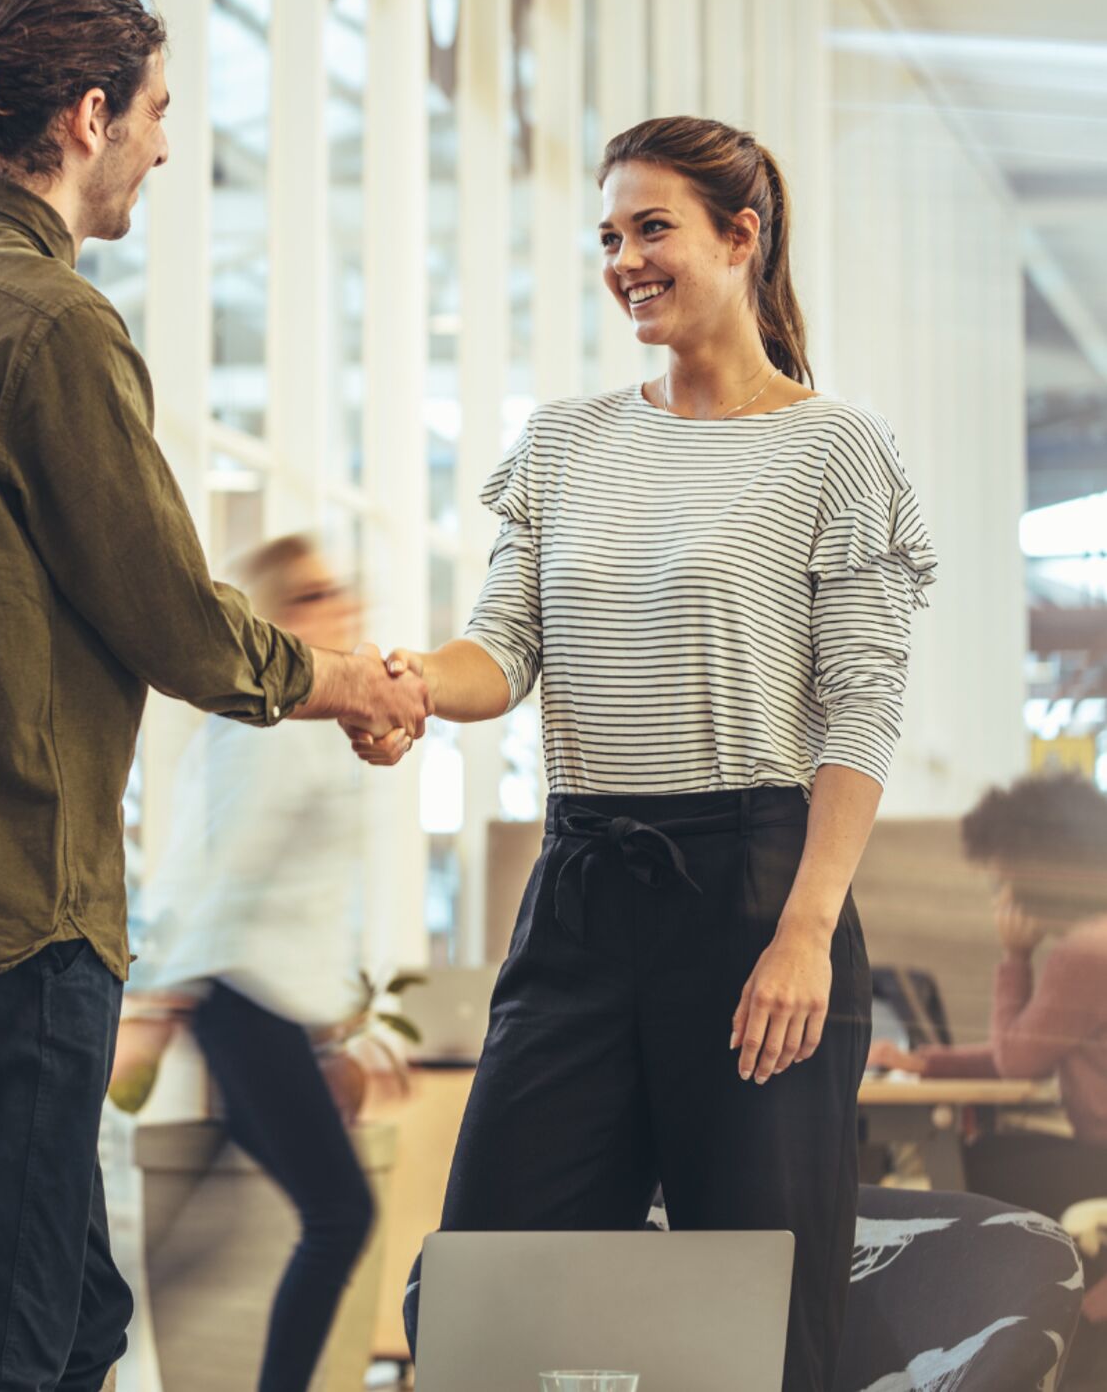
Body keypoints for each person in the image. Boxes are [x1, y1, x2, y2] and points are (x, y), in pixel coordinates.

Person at [0, 0, 428, 1392]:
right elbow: (176, 624)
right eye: (161, 113)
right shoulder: (50, 322)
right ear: (89, 114)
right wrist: (350, 682)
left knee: (73, 1323)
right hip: (16, 911)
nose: (172, 147)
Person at [352, 115, 937, 1391]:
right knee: (487, 1292)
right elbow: (500, 652)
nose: (623, 259)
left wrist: (804, 931)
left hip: (758, 896)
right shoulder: (566, 444)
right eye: (608, 236)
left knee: (756, 1311)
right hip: (580, 893)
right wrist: (402, 684)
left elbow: (861, 712)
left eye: (651, 228)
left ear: (742, 237)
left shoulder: (837, 450)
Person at [129, 534, 375, 1392]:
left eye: (336, 587)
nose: (336, 604)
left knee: (221, 1230)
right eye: (308, 596)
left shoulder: (310, 727)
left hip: (263, 1003)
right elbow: (217, 870)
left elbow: (299, 900)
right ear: (272, 617)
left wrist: (328, 1043)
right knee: (342, 1214)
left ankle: (103, 1318)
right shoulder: (274, 729)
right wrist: (157, 1011)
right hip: (239, 998)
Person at [869, 774, 1107, 1212]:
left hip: (1099, 1164)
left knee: (969, 1166)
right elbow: (1027, 1047)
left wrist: (1015, 958)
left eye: (1001, 885)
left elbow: (1017, 1061)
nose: (999, 901)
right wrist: (923, 1063)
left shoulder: (1083, 953)